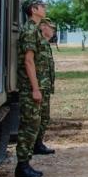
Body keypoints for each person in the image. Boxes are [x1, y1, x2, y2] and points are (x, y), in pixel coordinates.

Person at [15, 0, 49, 177]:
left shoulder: (34, 30)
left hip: (34, 86)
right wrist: (35, 89)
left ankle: (25, 163)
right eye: (42, 6)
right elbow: (29, 61)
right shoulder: (29, 31)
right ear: (34, 9)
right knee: (29, 126)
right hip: (29, 87)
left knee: (33, 124)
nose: (45, 8)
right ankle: (22, 166)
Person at [33, 18, 58, 157]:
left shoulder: (46, 45)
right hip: (39, 87)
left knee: (44, 117)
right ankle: (33, 145)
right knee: (36, 118)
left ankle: (38, 144)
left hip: (45, 86)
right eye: (51, 27)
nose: (53, 30)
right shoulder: (38, 44)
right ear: (43, 27)